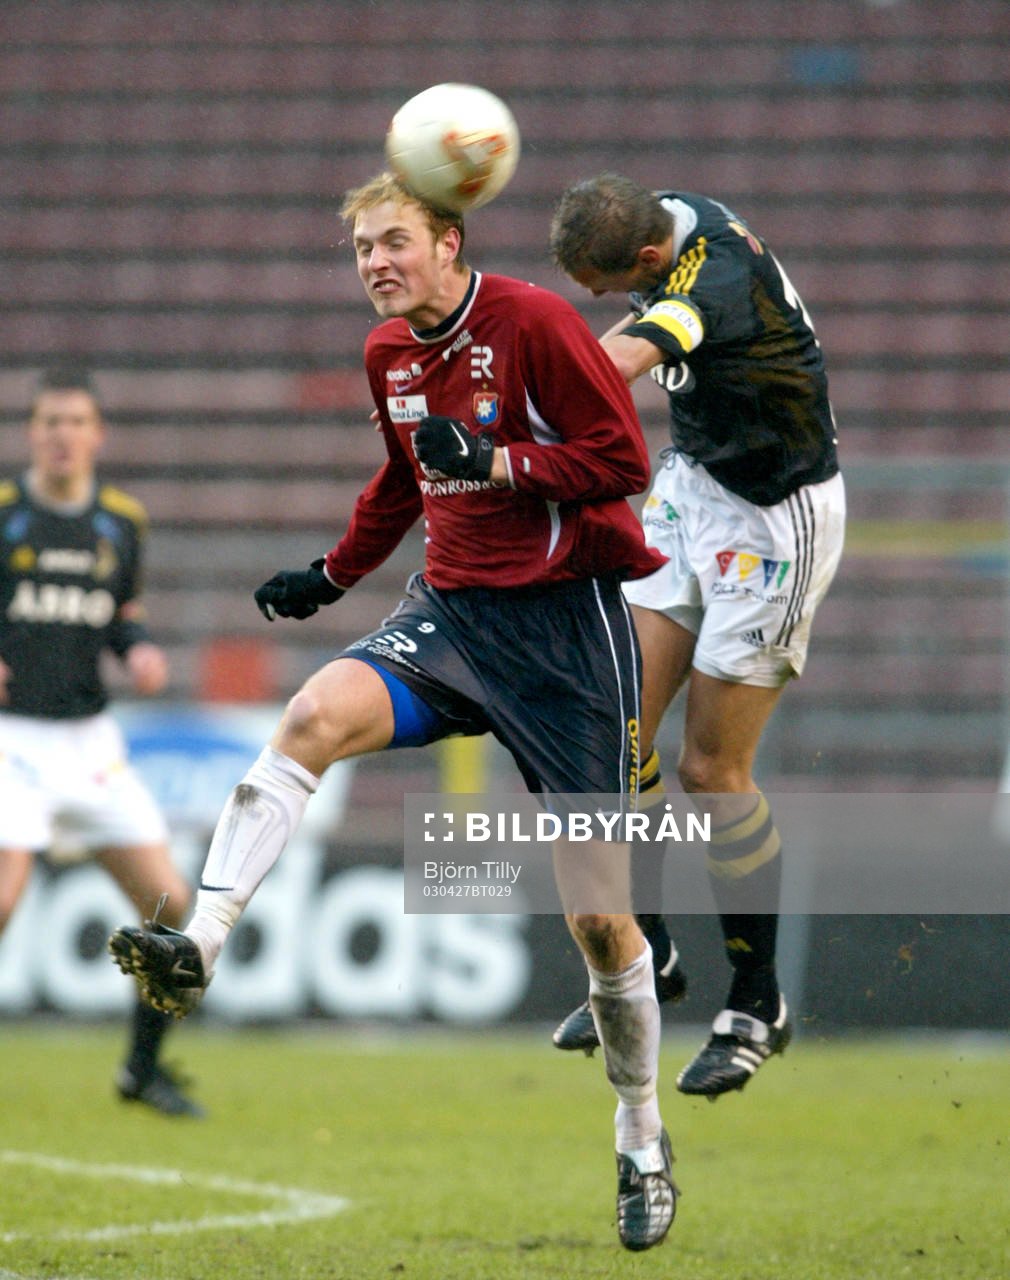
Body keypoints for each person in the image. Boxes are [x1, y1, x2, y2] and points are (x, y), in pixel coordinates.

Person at [110, 172, 678, 1250]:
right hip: (454, 618)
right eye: (361, 248)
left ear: (449, 243)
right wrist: (332, 573)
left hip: (564, 636)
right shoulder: (387, 356)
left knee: (601, 925)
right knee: (313, 715)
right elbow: (405, 480)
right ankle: (201, 945)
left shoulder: (536, 321)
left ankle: (639, 1130)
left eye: (392, 243)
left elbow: (621, 462)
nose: (374, 262)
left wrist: (504, 460)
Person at [548, 173, 846, 1097]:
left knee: (711, 774)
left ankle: (757, 1001)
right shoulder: (652, 219)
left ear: (644, 261)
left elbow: (627, 358)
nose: (601, 297)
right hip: (694, 487)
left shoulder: (709, 281)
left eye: (607, 284)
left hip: (775, 515)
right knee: (616, 719)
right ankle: (653, 948)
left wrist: (502, 418)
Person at [0, 366, 203, 1117]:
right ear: (33, 433)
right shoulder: (4, 516)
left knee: (170, 904)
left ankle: (140, 1072)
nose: (62, 435)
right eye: (49, 421)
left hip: (88, 743)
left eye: (75, 421)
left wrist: (139, 650)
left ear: (96, 434)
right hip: (11, 739)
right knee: (1, 902)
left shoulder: (122, 521)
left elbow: (124, 614)